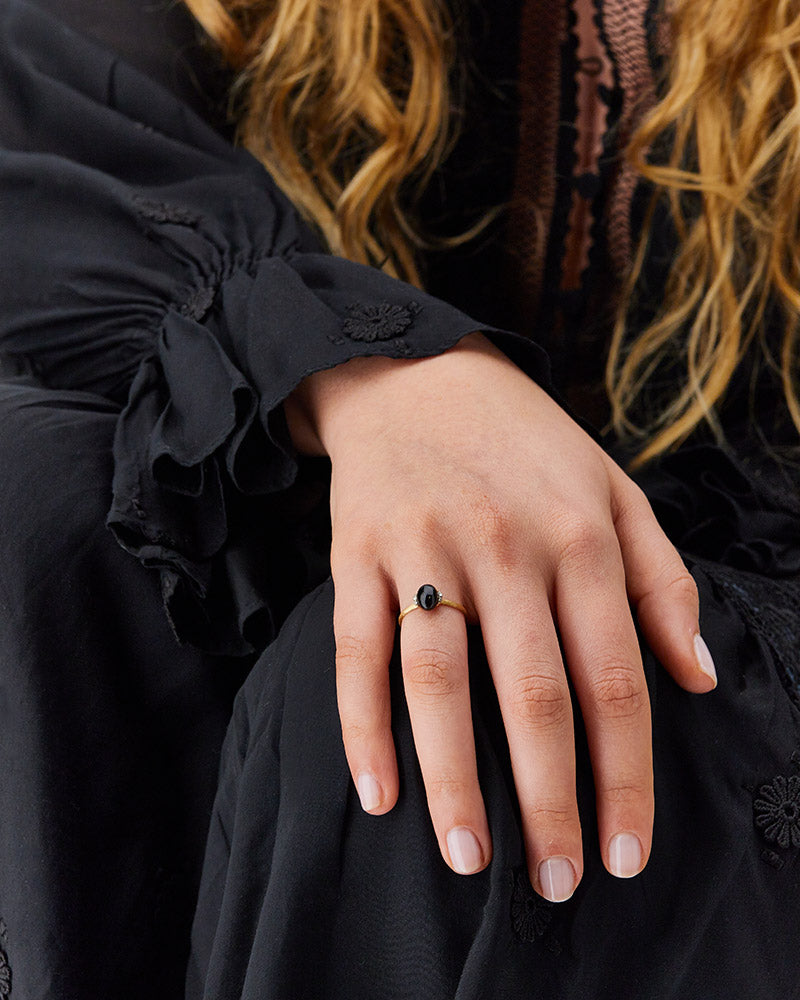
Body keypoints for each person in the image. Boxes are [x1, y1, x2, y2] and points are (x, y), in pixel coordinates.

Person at [0, 1, 797, 998]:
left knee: (423, 702)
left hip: (759, 566)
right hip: (329, 462)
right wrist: (373, 369)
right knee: (36, 497)